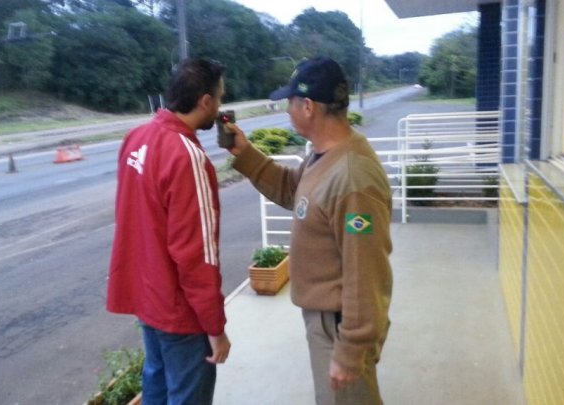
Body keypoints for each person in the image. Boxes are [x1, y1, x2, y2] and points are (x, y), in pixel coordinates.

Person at [222, 57, 393, 405]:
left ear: (308, 106)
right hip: (328, 322)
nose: (287, 110)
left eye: (290, 102)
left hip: (340, 326)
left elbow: (365, 272)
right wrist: (247, 154)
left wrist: (351, 348)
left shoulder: (352, 178)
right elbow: (293, 192)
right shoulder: (323, 156)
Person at [106, 58, 231, 405]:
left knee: (157, 390)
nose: (220, 107)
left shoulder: (137, 137)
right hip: (180, 312)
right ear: (205, 101)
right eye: (219, 98)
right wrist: (215, 327)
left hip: (148, 300)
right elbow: (197, 254)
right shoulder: (187, 156)